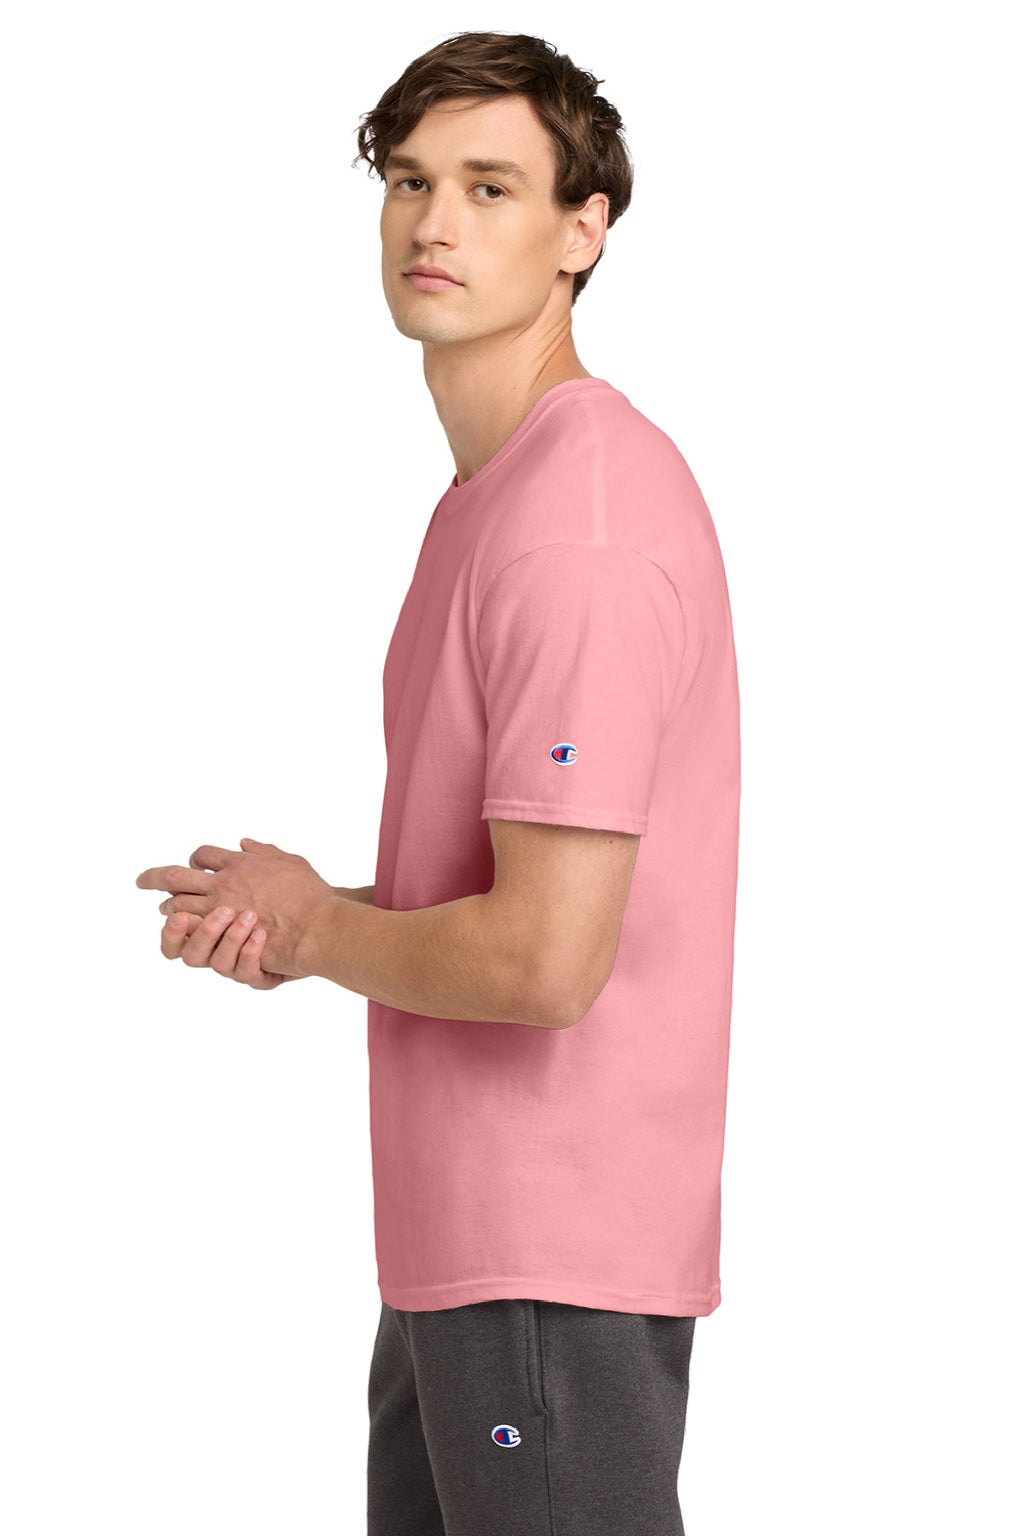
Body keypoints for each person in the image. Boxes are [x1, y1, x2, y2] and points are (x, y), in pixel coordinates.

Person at [136, 30, 741, 1536]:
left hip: (547, 1254)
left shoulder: (577, 522)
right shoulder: (496, 495)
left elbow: (544, 960)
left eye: (490, 186)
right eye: (410, 182)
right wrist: (303, 918)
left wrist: (321, 930)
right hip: (470, 1245)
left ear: (584, 229)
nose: (434, 223)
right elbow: (508, 887)